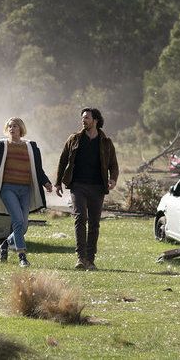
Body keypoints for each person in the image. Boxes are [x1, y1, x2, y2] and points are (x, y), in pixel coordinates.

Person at [0, 117, 53, 267]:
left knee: (24, 225)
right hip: (7, 189)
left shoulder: (31, 147)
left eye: (15, 126)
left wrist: (46, 182)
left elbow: (38, 169)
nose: (12, 129)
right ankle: (22, 257)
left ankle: (4, 246)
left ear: (21, 129)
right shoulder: (2, 146)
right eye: (9, 126)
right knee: (18, 221)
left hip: (25, 189)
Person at [55, 108, 119, 270]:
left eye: (87, 118)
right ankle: (80, 258)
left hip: (98, 187)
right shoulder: (74, 139)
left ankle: (90, 259)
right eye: (82, 118)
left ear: (95, 120)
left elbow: (113, 165)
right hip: (78, 185)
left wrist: (113, 179)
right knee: (80, 217)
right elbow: (63, 161)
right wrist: (57, 183)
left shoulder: (106, 142)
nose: (84, 120)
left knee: (95, 223)